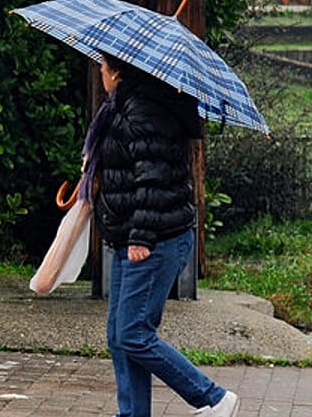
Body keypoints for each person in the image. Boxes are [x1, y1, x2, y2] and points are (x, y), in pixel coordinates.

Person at [93, 52, 239, 417]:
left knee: (133, 334)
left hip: (153, 239)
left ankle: (213, 398)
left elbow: (152, 176)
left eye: (102, 67)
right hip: (131, 236)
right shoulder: (125, 106)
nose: (100, 73)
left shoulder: (143, 110)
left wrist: (141, 237)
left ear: (117, 73)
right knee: (120, 336)